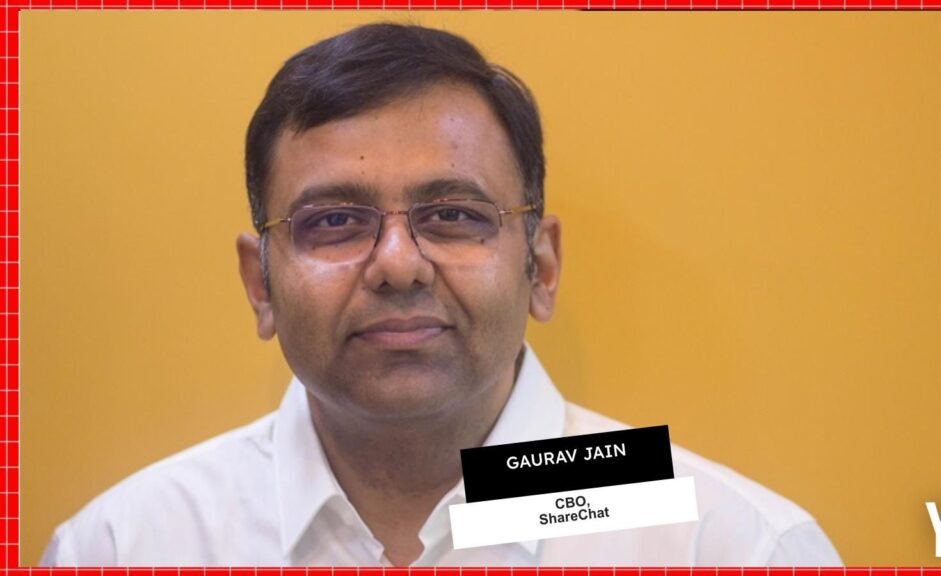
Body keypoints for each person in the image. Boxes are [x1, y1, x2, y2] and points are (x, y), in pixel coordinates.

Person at [40, 23, 842, 566]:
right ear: (261, 284)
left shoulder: (726, 547)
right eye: (334, 222)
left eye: (454, 215)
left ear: (541, 267)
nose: (398, 265)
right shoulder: (122, 548)